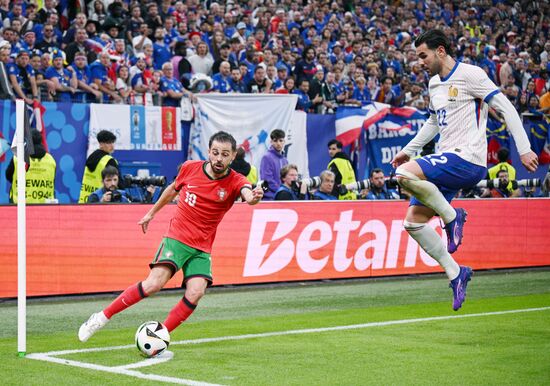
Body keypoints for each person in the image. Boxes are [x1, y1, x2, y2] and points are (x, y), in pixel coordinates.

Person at [390, 30, 538, 311]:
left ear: (441, 51)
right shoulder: (434, 84)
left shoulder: (471, 74)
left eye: (424, 55)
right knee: (413, 223)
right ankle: (458, 273)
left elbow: (505, 107)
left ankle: (452, 216)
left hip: (468, 159)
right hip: (446, 159)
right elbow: (434, 122)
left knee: (404, 176)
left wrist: (525, 147)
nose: (420, 61)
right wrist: (409, 149)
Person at [78, 131, 264, 342]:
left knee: (196, 291)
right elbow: (172, 189)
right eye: (215, 153)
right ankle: (101, 317)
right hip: (178, 237)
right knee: (153, 284)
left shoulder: (236, 180)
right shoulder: (190, 168)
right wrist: (151, 213)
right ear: (208, 152)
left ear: (232, 157)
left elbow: (248, 195)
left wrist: (254, 197)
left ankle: (158, 337)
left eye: (224, 154)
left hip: (202, 246)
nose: (219, 158)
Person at [6, 129, 56, 204]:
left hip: (20, 208)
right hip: (46, 208)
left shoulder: (18, 158)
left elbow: (9, 176)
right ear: (40, 141)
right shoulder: (51, 160)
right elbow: (52, 180)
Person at [78, 130, 119, 203]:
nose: (112, 146)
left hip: (84, 201)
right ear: (101, 144)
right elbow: (118, 184)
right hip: (102, 201)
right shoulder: (109, 161)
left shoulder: (90, 157)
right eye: (109, 143)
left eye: (113, 142)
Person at [260, 129, 288, 200]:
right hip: (270, 198)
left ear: (284, 141)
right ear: (271, 142)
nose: (278, 143)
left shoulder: (285, 160)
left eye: (281, 140)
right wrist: (281, 191)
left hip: (282, 197)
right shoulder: (266, 157)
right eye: (275, 141)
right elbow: (267, 180)